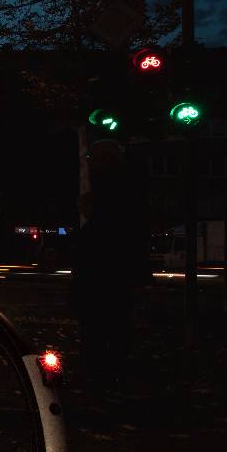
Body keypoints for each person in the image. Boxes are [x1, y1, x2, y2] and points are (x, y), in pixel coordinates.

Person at [69, 140, 150, 400]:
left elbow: (100, 236)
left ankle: (100, 377)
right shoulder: (127, 191)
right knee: (115, 325)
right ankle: (111, 375)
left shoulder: (107, 192)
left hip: (101, 274)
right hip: (115, 275)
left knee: (98, 328)